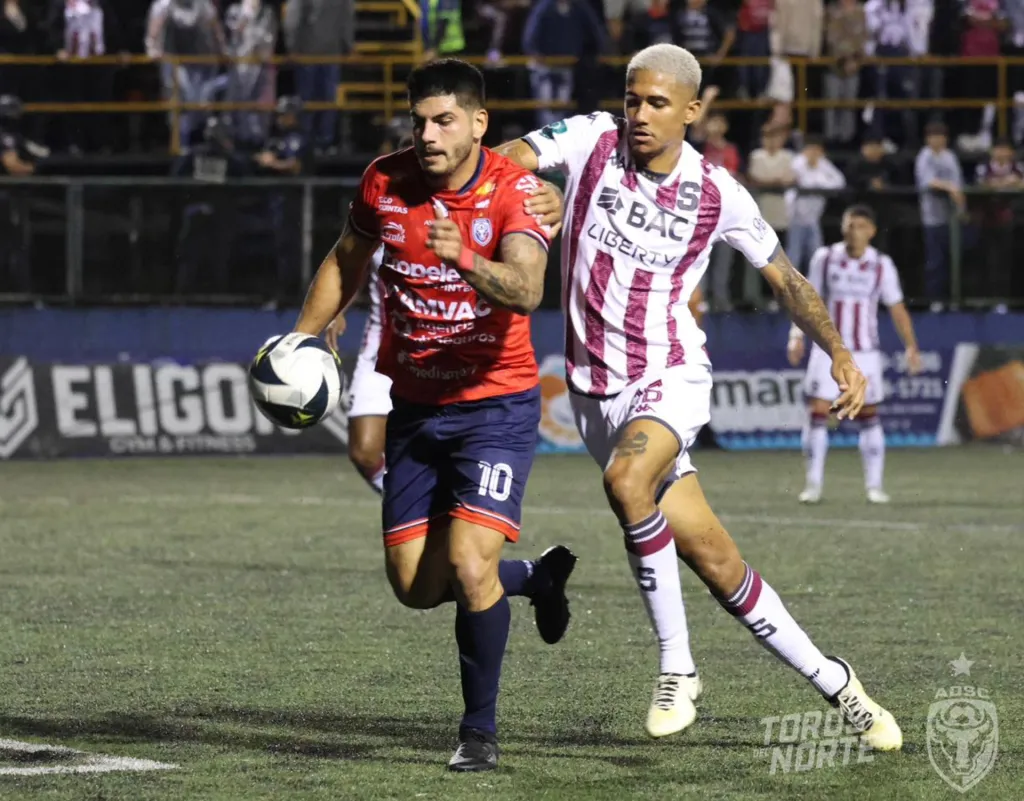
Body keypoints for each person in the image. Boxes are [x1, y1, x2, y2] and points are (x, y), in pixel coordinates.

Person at [495, 43, 902, 750]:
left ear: (693, 109)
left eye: (657, 102)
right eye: (633, 99)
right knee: (718, 563)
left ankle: (677, 665)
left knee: (628, 482)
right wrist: (532, 201)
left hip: (669, 373)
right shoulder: (592, 139)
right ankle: (839, 683)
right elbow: (503, 163)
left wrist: (839, 350)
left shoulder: (718, 193)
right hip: (595, 393)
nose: (640, 114)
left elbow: (787, 279)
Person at [292, 59, 577, 772]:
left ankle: (478, 733)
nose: (427, 132)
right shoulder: (384, 180)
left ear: (480, 123)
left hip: (495, 407)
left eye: (444, 119)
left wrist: (465, 259)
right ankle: (534, 578)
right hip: (415, 406)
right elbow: (347, 254)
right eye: (418, 119)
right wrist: (303, 334)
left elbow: (526, 288)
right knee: (415, 587)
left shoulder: (515, 194)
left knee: (468, 564)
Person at [788, 205, 921, 504]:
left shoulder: (881, 265)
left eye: (860, 226)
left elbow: (897, 307)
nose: (853, 231)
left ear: (871, 231)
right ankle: (813, 485)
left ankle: (874, 486)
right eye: (849, 225)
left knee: (869, 415)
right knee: (819, 412)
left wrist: (911, 345)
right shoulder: (825, 258)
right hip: (829, 350)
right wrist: (796, 335)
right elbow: (807, 300)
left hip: (866, 352)